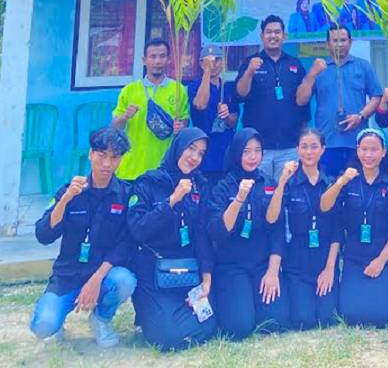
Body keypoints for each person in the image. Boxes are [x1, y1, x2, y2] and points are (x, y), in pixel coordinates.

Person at [31, 127, 136, 347]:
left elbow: (125, 244)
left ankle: (101, 319)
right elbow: (43, 234)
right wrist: (65, 200)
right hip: (67, 275)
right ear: (90, 154)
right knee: (43, 327)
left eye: (114, 157)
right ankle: (57, 317)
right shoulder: (70, 190)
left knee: (125, 280)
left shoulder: (125, 194)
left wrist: (97, 279)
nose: (107, 164)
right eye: (101, 155)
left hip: (102, 275)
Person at [127, 127, 217, 351]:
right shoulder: (149, 183)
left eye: (201, 153)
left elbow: (202, 236)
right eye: (191, 148)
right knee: (166, 338)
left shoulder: (199, 185)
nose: (194, 157)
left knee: (212, 322)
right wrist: (172, 201)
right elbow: (138, 230)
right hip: (154, 268)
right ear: (178, 147)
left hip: (188, 269)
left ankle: (171, 316)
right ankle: (153, 316)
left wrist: (206, 280)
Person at [206, 128, 290, 339]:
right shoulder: (223, 187)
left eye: (257, 150)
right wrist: (240, 198)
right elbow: (218, 231)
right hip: (231, 267)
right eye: (246, 151)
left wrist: (272, 272)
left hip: (261, 265)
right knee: (240, 328)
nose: (253, 157)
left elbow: (277, 231)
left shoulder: (268, 184)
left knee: (276, 322)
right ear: (236, 153)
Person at [320, 129, 388, 327]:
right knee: (351, 315)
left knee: (385, 316)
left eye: (374, 150)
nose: (369, 155)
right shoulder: (348, 182)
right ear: (357, 151)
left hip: (383, 256)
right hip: (354, 257)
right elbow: (324, 206)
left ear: (383, 152)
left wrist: (381, 261)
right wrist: (341, 181)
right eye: (364, 149)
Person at [265, 129, 341, 330]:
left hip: (324, 262)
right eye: (304, 147)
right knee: (303, 320)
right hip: (297, 266)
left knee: (327, 318)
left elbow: (337, 231)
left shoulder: (330, 183)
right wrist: (282, 182)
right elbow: (272, 219)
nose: (309, 152)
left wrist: (330, 269)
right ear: (297, 150)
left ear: (323, 149)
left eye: (314, 147)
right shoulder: (289, 183)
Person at [296, 26, 382, 177]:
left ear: (350, 42)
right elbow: (301, 100)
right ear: (327, 43)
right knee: (328, 186)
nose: (339, 44)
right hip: (326, 143)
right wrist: (312, 74)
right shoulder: (319, 69)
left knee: (356, 185)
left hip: (357, 143)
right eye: (335, 40)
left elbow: (376, 96)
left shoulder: (363, 66)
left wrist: (361, 116)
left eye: (343, 40)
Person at [235, 15, 309, 180]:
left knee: (286, 191)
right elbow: (240, 93)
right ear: (262, 36)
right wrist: (250, 71)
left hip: (289, 146)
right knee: (257, 190)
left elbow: (303, 103)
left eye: (277, 32)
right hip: (258, 149)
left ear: (284, 36)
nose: (273, 36)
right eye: (268, 32)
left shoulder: (295, 64)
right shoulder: (251, 62)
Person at [112, 37, 189, 180]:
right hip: (131, 169)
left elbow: (184, 122)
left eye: (162, 56)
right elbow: (116, 127)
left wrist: (180, 127)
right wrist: (125, 117)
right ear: (144, 60)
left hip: (164, 168)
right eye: (153, 57)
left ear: (168, 60)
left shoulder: (179, 90)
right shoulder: (129, 90)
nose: (157, 61)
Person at [188, 44, 239, 186]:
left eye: (217, 60)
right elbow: (200, 104)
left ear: (222, 62)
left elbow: (234, 121)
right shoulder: (194, 86)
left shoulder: (228, 87)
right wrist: (207, 72)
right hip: (205, 153)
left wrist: (226, 115)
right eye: (208, 61)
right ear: (201, 64)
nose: (213, 64)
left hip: (225, 151)